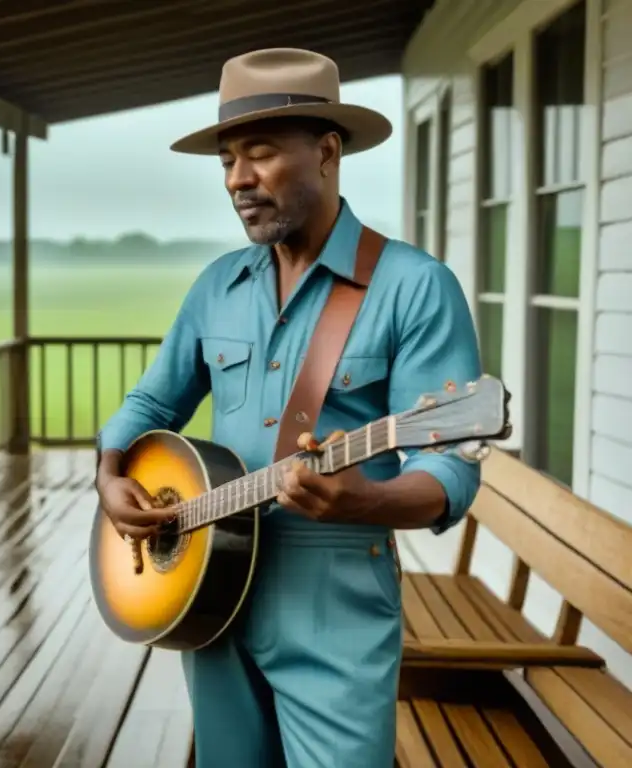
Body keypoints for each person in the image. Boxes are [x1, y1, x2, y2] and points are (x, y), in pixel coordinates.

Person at [94, 48, 482, 767]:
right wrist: (110, 471)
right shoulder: (217, 286)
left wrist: (367, 500)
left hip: (334, 600)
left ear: (328, 151)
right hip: (209, 595)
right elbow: (153, 400)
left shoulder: (415, 286)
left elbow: (451, 465)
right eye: (227, 162)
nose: (239, 179)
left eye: (261, 154)